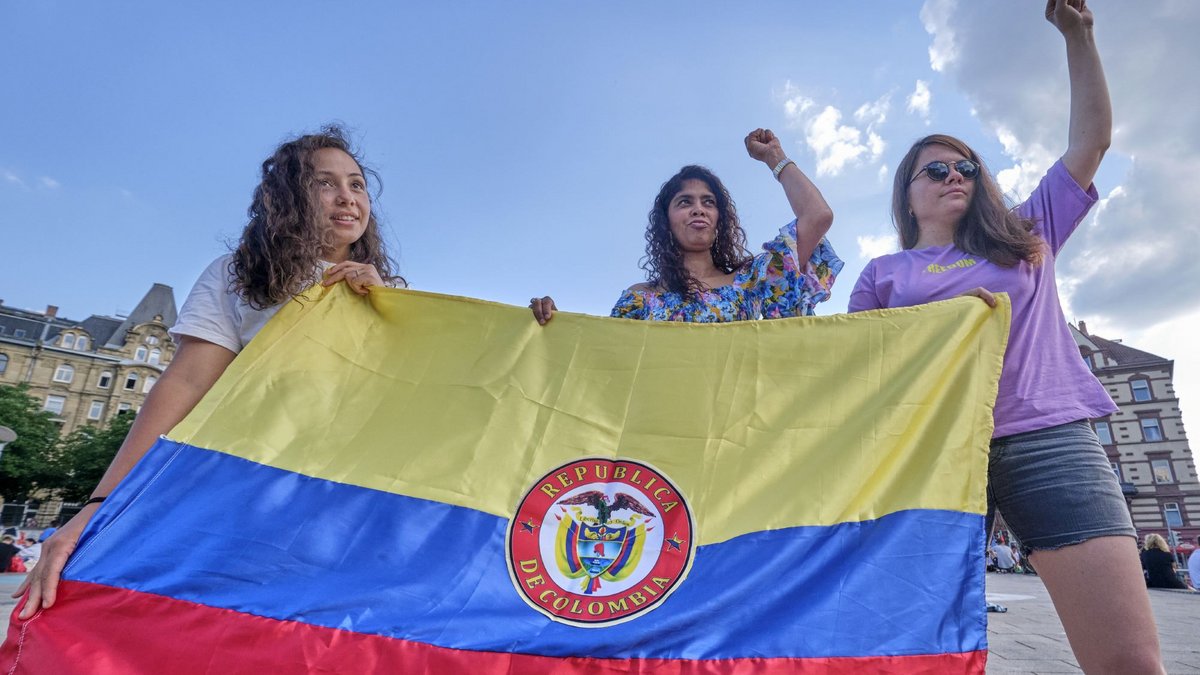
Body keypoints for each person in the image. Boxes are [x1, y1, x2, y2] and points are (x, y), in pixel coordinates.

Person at [848, 2, 1166, 671]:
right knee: (913, 656)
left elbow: (1091, 144)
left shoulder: (1025, 234)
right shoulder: (884, 272)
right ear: (908, 195)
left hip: (1050, 438)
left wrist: (1078, 37)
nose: (956, 175)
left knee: (1129, 661)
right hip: (930, 455)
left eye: (967, 166)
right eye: (936, 168)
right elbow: (854, 369)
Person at [16, 125, 402, 620]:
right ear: (285, 196)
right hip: (249, 491)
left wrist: (531, 331)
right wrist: (98, 507)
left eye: (357, 184)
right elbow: (187, 383)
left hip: (349, 502)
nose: (347, 197)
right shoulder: (238, 274)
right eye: (325, 183)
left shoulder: (394, 295)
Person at [530, 128, 839, 325]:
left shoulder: (749, 281)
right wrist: (555, 326)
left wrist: (775, 157)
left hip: (738, 426)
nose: (698, 209)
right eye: (684, 202)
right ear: (667, 221)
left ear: (720, 220)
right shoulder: (639, 299)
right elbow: (604, 365)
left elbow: (818, 216)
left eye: (708, 202)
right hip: (660, 426)